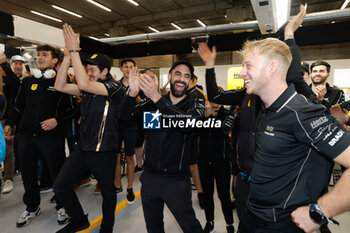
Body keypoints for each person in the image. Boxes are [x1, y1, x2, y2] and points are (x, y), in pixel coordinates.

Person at [197, 5, 315, 233]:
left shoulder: (291, 100)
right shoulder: (246, 95)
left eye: (248, 66)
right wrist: (210, 66)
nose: (242, 73)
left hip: (277, 187)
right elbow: (215, 96)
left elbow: (292, 75)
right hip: (245, 182)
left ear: (271, 69)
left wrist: (289, 34)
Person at [53, 24, 125, 233]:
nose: (89, 73)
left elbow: (84, 84)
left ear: (105, 71)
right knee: (61, 186)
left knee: (108, 193)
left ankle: (107, 229)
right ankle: (78, 220)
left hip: (104, 152)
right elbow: (60, 86)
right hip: (83, 149)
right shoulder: (88, 86)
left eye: (92, 70)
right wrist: (67, 57)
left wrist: (75, 50)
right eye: (87, 69)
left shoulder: (115, 88)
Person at [121, 61, 204, 233]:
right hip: (150, 178)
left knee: (190, 227)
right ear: (170, 77)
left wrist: (157, 98)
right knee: (153, 227)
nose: (181, 79)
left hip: (176, 181)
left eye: (186, 76)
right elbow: (125, 118)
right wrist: (131, 95)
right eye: (178, 74)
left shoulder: (193, 103)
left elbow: (187, 124)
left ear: (190, 81)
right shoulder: (153, 104)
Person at [4, 44, 74, 227]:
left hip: (52, 137)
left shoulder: (61, 80)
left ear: (55, 60)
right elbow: (18, 105)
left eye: (45, 55)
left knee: (57, 172)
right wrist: (10, 123)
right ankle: (32, 207)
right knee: (28, 174)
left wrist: (57, 121)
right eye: (39, 55)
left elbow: (73, 109)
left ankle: (62, 205)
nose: (40, 58)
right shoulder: (27, 82)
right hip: (26, 137)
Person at [198, 96, 235, 233]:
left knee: (224, 195)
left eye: (215, 99)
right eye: (210, 99)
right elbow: (196, 130)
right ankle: (209, 221)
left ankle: (229, 224)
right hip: (204, 161)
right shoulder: (202, 113)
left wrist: (212, 117)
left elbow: (224, 129)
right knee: (207, 194)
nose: (211, 102)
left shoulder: (228, 114)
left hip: (222, 162)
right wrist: (205, 117)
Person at [0, 53, 22, 194]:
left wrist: (4, 64)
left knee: (7, 150)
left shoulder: (10, 80)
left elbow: (16, 84)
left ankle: (8, 178)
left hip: (6, 120)